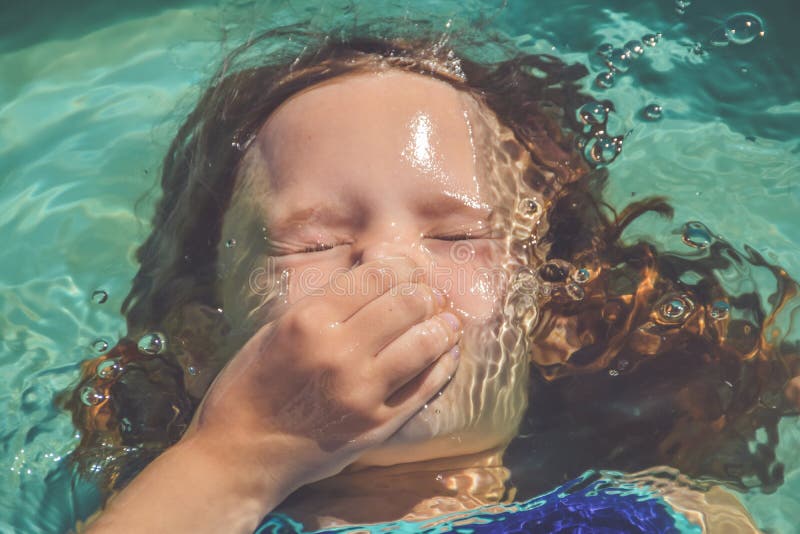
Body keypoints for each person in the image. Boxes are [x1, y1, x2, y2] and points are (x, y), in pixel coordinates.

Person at [66, 27, 800, 533]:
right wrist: (238, 457)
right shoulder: (179, 508)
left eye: (458, 236)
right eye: (312, 242)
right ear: (201, 342)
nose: (390, 266)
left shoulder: (662, 516)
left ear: (553, 319)